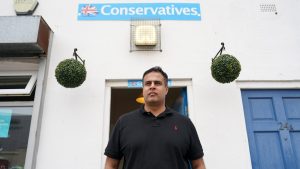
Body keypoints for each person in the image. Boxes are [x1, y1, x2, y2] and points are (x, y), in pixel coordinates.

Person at [104, 66, 206, 169]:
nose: (152, 86)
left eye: (157, 83)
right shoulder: (124, 123)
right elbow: (110, 164)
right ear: (143, 89)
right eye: (148, 83)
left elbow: (199, 164)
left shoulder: (185, 123)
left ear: (166, 89)